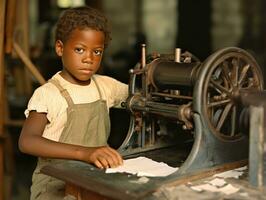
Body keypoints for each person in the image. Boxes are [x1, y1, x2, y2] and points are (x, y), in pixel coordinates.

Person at [18, 6, 128, 200]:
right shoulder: (48, 94)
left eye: (97, 51)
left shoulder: (105, 86)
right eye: (79, 49)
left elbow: (140, 96)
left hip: (93, 180)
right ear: (60, 48)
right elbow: (27, 141)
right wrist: (86, 153)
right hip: (54, 187)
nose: (88, 59)